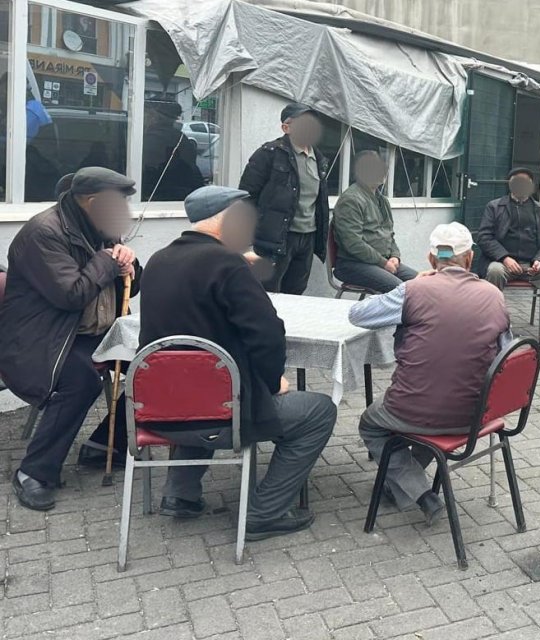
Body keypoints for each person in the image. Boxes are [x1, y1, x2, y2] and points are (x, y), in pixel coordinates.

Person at [139, 185, 335, 539]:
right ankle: (264, 513)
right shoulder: (226, 265)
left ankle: (180, 495)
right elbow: (267, 333)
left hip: (160, 410)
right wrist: (273, 382)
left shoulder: (158, 259)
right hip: (219, 413)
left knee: (194, 385)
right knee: (319, 411)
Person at [1, 168, 141, 511]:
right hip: (39, 338)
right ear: (93, 202)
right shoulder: (43, 232)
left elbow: (131, 288)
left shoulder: (101, 227)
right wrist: (107, 260)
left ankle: (102, 446)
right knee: (82, 381)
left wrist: (130, 263)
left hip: (85, 331)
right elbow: (71, 294)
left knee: (153, 358)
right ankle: (33, 472)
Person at [350, 223, 510, 523]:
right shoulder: (494, 296)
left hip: (412, 410)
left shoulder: (413, 290)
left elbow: (357, 314)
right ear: (470, 259)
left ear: (430, 260)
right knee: (425, 430)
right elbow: (506, 356)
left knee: (371, 424)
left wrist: (409, 287)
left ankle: (420, 492)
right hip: (475, 415)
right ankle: (404, 486)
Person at [239, 103, 330, 294]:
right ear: (286, 128)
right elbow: (247, 196)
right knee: (268, 292)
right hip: (276, 237)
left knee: (296, 292)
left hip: (307, 237)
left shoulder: (319, 159)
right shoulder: (269, 154)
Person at [477, 168, 540, 351]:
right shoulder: (495, 207)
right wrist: (504, 258)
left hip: (532, 265)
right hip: (502, 263)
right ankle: (494, 330)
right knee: (494, 271)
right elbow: (484, 237)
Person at [332, 151, 417, 293]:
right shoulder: (351, 200)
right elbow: (353, 243)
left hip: (383, 261)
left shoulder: (382, 200)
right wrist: (383, 263)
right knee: (401, 290)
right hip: (352, 264)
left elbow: (390, 234)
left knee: (422, 282)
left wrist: (395, 256)